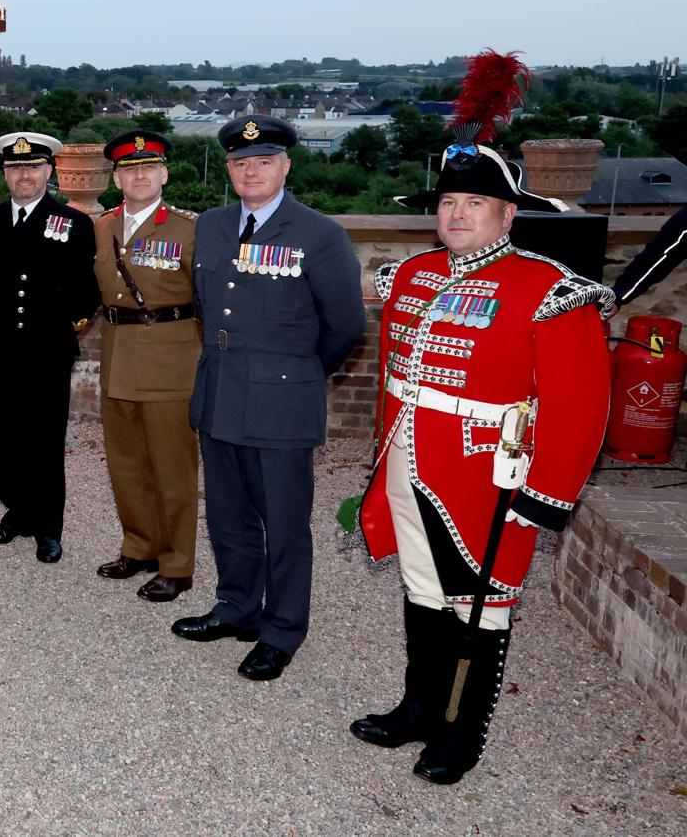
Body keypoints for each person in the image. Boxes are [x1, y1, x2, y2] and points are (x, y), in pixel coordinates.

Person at [354, 51, 613, 784]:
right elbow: (395, 377)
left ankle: (462, 734)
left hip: (485, 469)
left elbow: (579, 404)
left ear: (505, 214)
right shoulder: (410, 275)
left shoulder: (549, 289)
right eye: (448, 203)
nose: (457, 214)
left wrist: (546, 496)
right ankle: (418, 709)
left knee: (480, 605)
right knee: (422, 589)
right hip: (407, 458)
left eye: (474, 205)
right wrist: (383, 451)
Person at [172, 115, 366, 681]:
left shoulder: (318, 234)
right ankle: (236, 607)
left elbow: (346, 326)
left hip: (282, 402)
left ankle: (281, 630)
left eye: (263, 161)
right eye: (240, 162)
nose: (250, 171)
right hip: (220, 391)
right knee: (228, 515)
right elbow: (207, 308)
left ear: (285, 166)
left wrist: (301, 373)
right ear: (228, 168)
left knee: (283, 523)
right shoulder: (209, 226)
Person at [0, 130, 97, 563]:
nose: (23, 175)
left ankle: (48, 526)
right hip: (1, 347)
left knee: (43, 440)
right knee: (5, 438)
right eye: (14, 168)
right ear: (5, 174)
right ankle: (18, 513)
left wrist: (62, 324)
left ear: (48, 171)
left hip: (46, 350)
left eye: (32, 167)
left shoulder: (73, 223)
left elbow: (85, 291)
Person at [91, 129, 202, 601]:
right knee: (127, 463)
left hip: (170, 359)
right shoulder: (101, 227)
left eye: (148, 169)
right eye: (130, 170)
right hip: (118, 354)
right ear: (118, 178)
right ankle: (139, 546)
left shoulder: (190, 228)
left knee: (173, 467)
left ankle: (178, 563)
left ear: (164, 174)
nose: (139, 176)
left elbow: (208, 299)